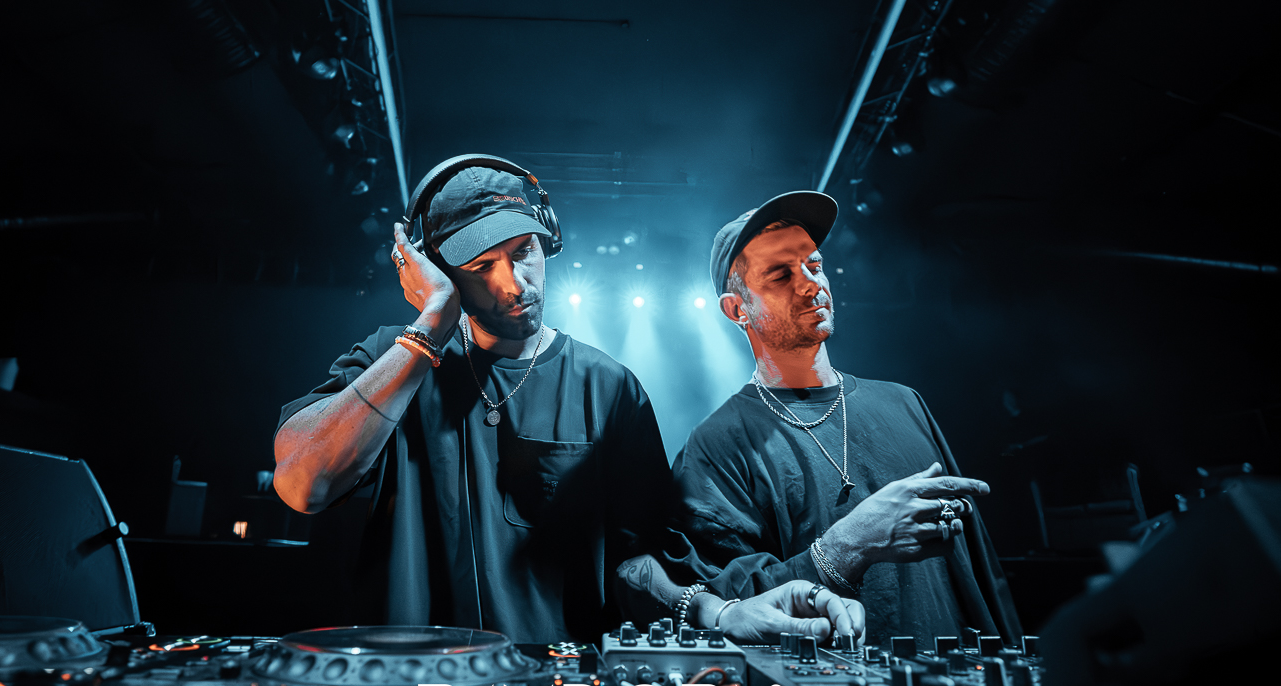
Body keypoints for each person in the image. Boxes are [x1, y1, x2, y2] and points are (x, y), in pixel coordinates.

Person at [272, 155, 859, 646]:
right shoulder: (394, 359)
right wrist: (428, 326)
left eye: (523, 252)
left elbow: (638, 562)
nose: (513, 284)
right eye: (481, 267)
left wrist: (718, 611)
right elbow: (304, 484)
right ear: (433, 270)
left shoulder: (609, 389)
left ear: (547, 241)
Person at [652, 191, 1021, 649]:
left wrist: (1012, 660)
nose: (810, 285)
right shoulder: (716, 445)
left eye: (814, 264)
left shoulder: (904, 402)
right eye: (780, 275)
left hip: (958, 681)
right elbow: (727, 607)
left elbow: (979, 570)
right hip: (824, 685)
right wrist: (848, 546)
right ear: (737, 309)